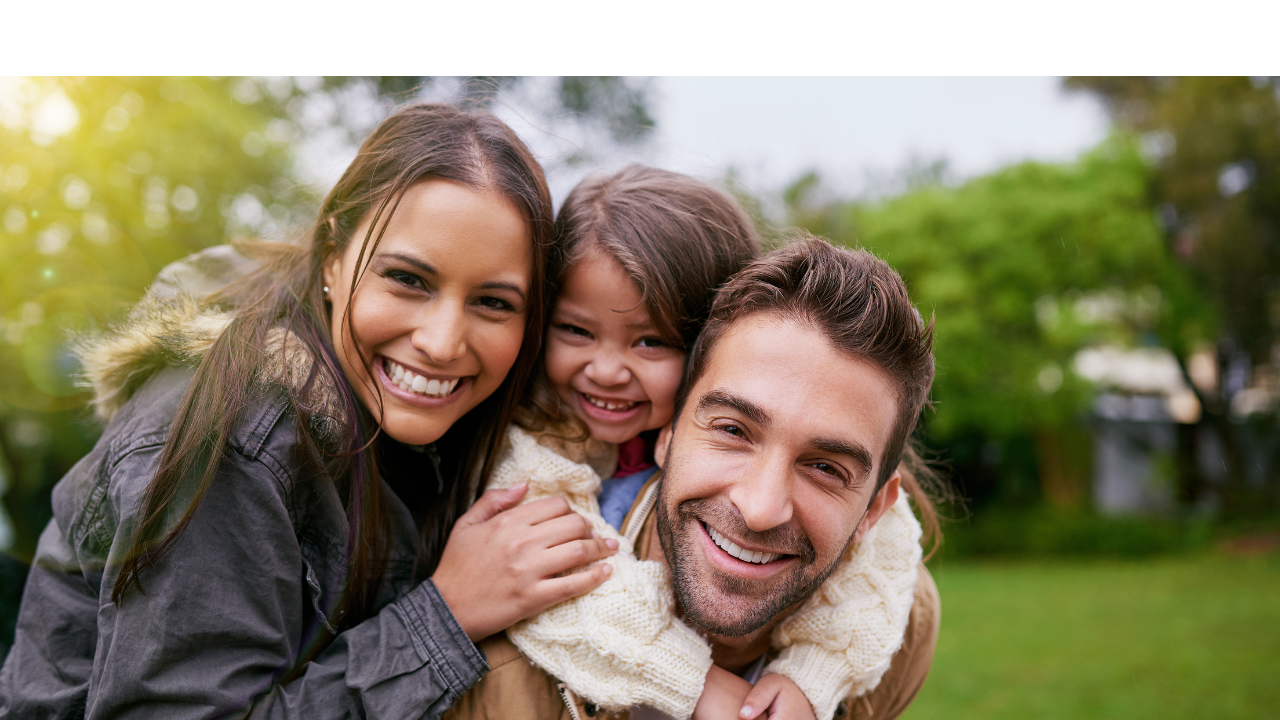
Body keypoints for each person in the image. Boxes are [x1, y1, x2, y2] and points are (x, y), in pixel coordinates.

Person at [0, 103, 619, 719]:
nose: (442, 341)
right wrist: (443, 620)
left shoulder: (421, 426)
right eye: (408, 280)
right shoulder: (234, 438)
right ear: (332, 261)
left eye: (492, 302)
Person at [447, 208, 940, 719]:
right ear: (667, 433)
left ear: (875, 510)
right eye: (732, 431)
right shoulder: (501, 658)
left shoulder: (901, 626)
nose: (759, 508)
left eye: (826, 468)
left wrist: (815, 676)